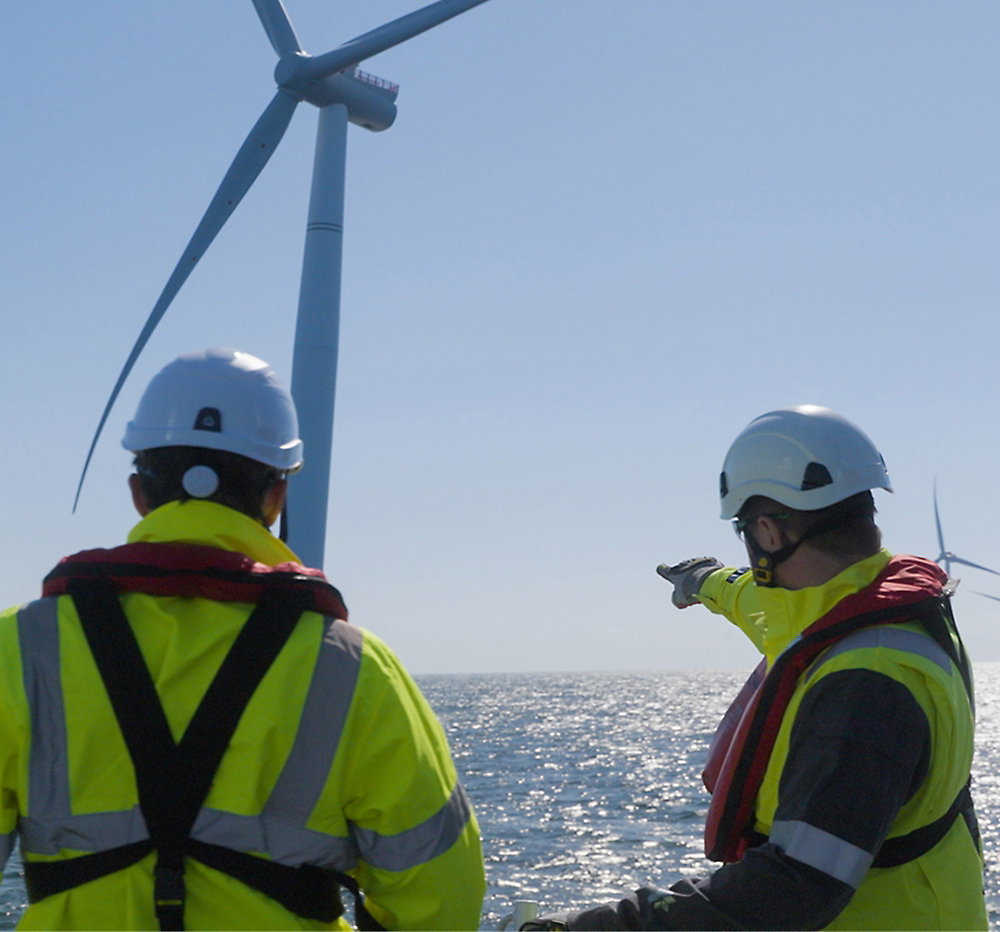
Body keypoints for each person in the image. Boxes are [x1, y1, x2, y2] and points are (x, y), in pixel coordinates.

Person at [0, 348, 485, 931]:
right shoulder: (353, 668)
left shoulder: (18, 649)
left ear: (138, 493)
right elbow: (441, 899)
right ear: (276, 498)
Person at [526, 405, 987, 931]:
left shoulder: (866, 685)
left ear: (767, 531)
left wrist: (597, 926)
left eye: (744, 528)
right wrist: (703, 581)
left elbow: (793, 886)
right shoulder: (879, 607)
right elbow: (753, 598)